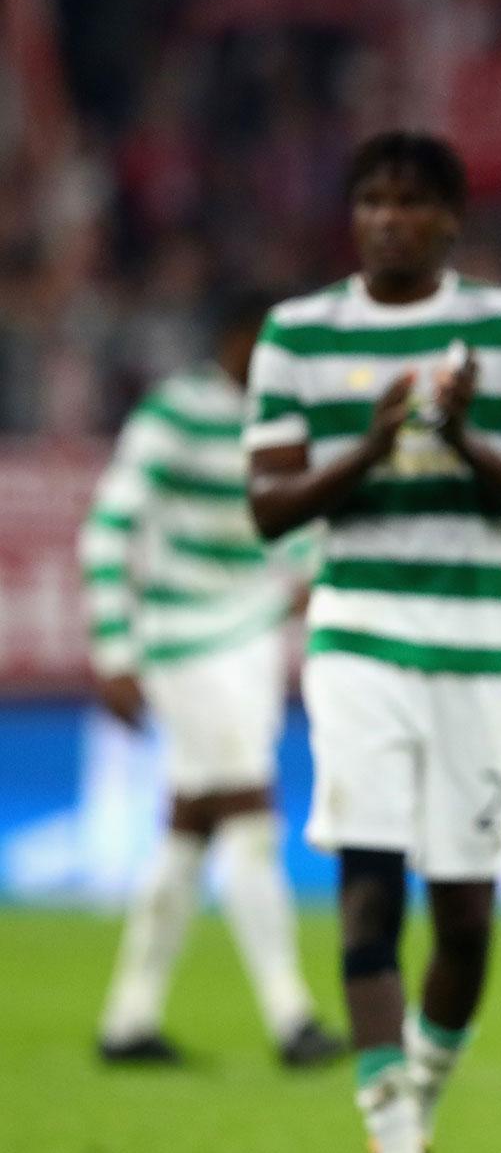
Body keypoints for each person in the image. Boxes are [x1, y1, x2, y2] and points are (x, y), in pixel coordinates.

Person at [244, 132, 501, 1153]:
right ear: (354, 217)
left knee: (466, 916)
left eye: (411, 201)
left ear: (449, 219)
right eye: (372, 200)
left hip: (477, 646)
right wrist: (376, 444)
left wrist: (466, 435)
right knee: (370, 888)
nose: (388, 218)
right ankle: (395, 1147)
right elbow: (270, 507)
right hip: (357, 637)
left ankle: (417, 1105)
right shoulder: (298, 335)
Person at [80, 292, 343, 1069]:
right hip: (184, 638)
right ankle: (291, 1017)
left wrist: (300, 577)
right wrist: (114, 652)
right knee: (251, 816)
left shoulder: (284, 422)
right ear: (236, 337)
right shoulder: (176, 412)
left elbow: (284, 530)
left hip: (250, 639)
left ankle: (128, 1020)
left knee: (189, 829)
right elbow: (108, 525)